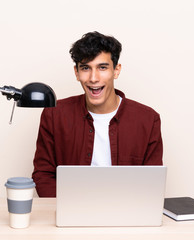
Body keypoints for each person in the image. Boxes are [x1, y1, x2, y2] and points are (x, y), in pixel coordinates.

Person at [32, 31, 163, 197]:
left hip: (127, 213)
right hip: (71, 212)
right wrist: (66, 208)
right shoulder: (54, 115)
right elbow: (43, 175)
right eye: (86, 68)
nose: (93, 78)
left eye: (102, 67)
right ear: (77, 73)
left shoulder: (148, 120)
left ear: (116, 70)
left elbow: (152, 181)